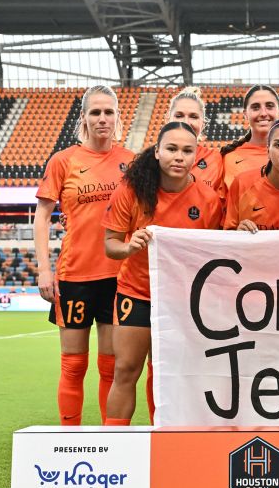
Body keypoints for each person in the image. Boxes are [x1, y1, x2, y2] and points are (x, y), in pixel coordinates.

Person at [103, 121, 225, 425]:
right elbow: (110, 245)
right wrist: (131, 246)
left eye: (186, 150)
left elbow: (214, 254)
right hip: (138, 293)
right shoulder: (132, 189)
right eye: (171, 149)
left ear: (196, 155)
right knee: (126, 370)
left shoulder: (208, 200)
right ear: (157, 151)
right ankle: (114, 445)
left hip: (182, 302)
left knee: (171, 376)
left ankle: (167, 445)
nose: (178, 156)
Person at [35, 85, 134, 427]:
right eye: (96, 112)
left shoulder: (130, 162)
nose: (103, 118)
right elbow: (43, 216)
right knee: (73, 364)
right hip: (75, 275)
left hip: (119, 277)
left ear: (117, 117)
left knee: (112, 366)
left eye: (109, 112)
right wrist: (44, 270)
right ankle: (69, 436)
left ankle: (112, 440)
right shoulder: (64, 161)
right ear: (84, 118)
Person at [218, 85, 279, 190]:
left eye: (269, 106)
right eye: (255, 107)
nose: (263, 113)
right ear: (245, 114)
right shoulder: (230, 158)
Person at [165, 87, 225, 196]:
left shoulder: (215, 160)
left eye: (193, 116)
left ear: (203, 124)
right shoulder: (150, 159)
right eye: (179, 116)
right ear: (167, 119)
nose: (186, 122)